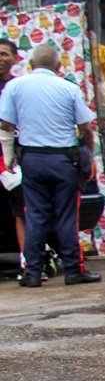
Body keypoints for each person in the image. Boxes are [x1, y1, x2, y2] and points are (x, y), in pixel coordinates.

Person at [0, 44, 100, 286]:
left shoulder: (14, 87)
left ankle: (32, 273)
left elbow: (6, 126)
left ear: (31, 65)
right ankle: (73, 271)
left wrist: (10, 157)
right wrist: (86, 151)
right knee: (67, 216)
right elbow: (86, 127)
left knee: (34, 215)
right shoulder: (68, 88)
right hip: (64, 160)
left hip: (32, 160)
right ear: (58, 67)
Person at [0, 37, 24, 259]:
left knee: (21, 211)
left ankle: (31, 260)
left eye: (4, 54)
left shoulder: (18, 87)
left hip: (15, 160)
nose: (0, 59)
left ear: (15, 58)